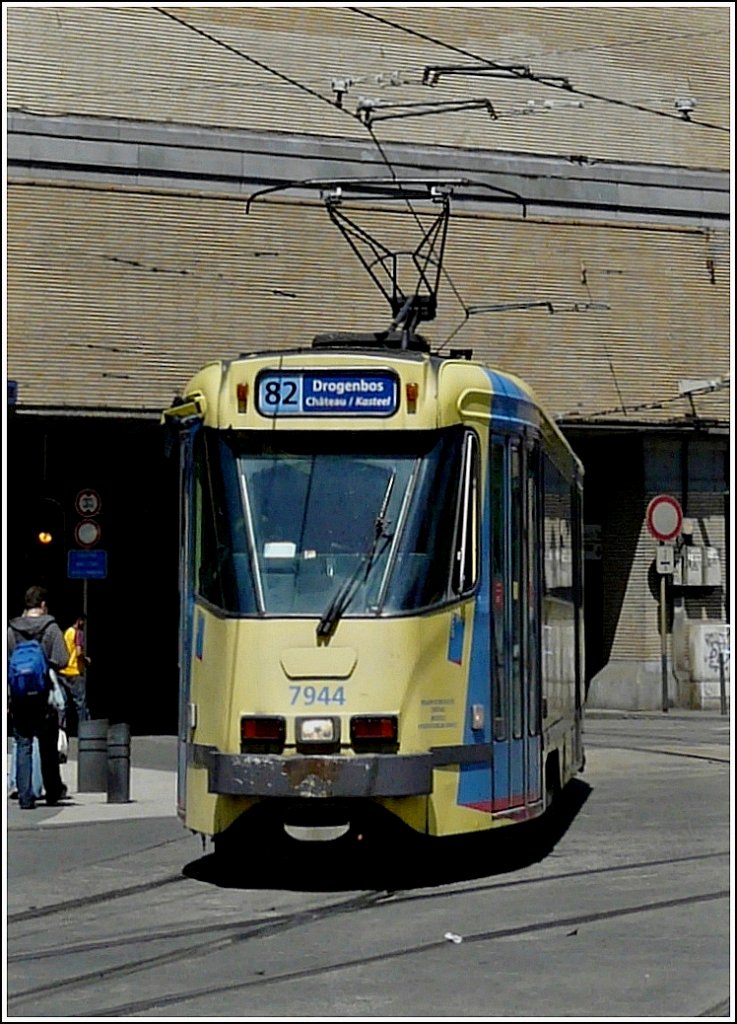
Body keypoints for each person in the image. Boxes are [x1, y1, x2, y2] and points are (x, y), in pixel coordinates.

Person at [7, 586, 69, 810]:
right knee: (47, 745)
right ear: (42, 605)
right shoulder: (51, 628)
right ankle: (53, 791)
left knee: (23, 744)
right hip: (44, 697)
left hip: (20, 697)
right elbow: (63, 659)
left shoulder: (11, 630)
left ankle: (25, 796)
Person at [60, 614, 91, 732]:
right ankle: (85, 731)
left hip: (64, 672)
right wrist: (85, 660)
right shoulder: (79, 633)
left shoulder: (66, 633)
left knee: (63, 704)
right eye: (83, 621)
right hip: (75, 671)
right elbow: (78, 652)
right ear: (79, 621)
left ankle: (62, 730)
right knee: (80, 704)